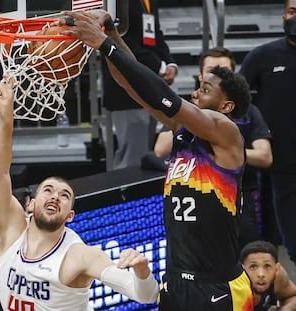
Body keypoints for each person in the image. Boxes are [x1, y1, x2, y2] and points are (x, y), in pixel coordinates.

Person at [60, 10, 254, 310]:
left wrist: (104, 44)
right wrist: (112, 34)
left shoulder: (227, 133)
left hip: (217, 286)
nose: (195, 93)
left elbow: (165, 96)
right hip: (175, 280)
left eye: (204, 89)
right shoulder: (182, 130)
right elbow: (132, 83)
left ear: (227, 104)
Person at [0, 77, 159, 310]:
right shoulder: (11, 231)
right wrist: (6, 117)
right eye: (48, 190)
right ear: (31, 204)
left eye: (64, 195)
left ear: (70, 216)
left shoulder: (80, 255)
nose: (55, 196)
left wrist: (142, 270)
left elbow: (146, 295)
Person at [152, 47, 273, 249]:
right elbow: (160, 148)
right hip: (193, 211)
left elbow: (265, 155)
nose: (217, 73)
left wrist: (227, 150)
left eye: (223, 70)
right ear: (201, 76)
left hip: (237, 199)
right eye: (211, 70)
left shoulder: (249, 112)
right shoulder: (187, 110)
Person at [239, 0, 296, 264]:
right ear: (284, 15)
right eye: (293, 11)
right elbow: (236, 98)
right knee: (284, 234)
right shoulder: (263, 56)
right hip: (281, 160)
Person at [102, 0, 178, 169]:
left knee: (143, 154)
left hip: (150, 86)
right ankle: (124, 195)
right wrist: (159, 66)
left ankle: (137, 194)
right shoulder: (119, 3)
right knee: (131, 158)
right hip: (127, 92)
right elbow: (121, 40)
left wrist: (170, 62)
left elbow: (155, 33)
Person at [241, 240, 296, 310]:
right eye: (253, 266)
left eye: (267, 266)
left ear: (277, 268)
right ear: (242, 269)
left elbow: (293, 296)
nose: (261, 274)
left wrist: (286, 309)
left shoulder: (278, 278)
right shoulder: (233, 288)